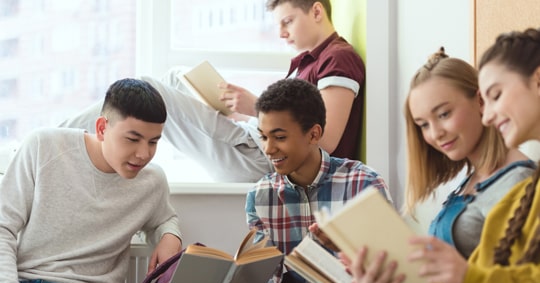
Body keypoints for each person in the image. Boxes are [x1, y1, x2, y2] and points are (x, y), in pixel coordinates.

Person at [236, 48, 536, 283]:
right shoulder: (468, 184)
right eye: (423, 124)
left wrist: (459, 278)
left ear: (481, 102)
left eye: (444, 114)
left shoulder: (517, 186)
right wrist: (368, 279)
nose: (435, 133)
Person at [58, 0, 366, 183]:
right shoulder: (307, 63)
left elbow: (325, 141)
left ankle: (55, 138)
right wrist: (235, 111)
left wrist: (255, 107)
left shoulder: (337, 58)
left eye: (287, 21)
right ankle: (60, 142)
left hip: (263, 160)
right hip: (254, 145)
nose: (281, 33)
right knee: (176, 77)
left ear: (315, 11)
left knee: (150, 88)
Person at [196, 77, 388, 283]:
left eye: (280, 137)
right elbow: (267, 276)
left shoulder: (363, 183)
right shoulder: (260, 195)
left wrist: (342, 244)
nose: (268, 149)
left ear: (313, 134)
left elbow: (389, 267)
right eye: (263, 136)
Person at [0, 79, 183, 283]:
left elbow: (165, 217)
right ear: (102, 128)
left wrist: (170, 235)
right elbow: (3, 227)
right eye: (132, 139)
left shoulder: (152, 181)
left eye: (153, 142)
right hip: (19, 281)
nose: (143, 154)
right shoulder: (44, 146)